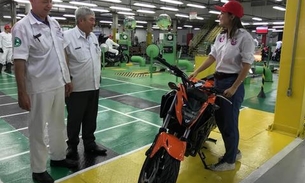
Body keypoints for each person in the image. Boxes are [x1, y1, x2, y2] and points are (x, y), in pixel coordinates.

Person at [12, 0, 77, 182]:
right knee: (38, 130)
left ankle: (58, 157)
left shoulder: (54, 23)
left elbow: (61, 51)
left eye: (51, 1)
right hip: (38, 88)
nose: (48, 5)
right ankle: (38, 170)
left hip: (58, 84)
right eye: (44, 1)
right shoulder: (23, 27)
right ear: (32, 1)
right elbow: (19, 62)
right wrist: (21, 92)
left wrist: (67, 77)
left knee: (58, 125)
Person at [189, 0, 254, 171]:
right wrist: (196, 73)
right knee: (219, 119)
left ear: (231, 16)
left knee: (229, 122)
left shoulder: (245, 38)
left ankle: (229, 161)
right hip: (218, 81)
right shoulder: (221, 36)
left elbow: (246, 65)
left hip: (232, 83)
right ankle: (235, 152)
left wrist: (233, 87)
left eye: (222, 13)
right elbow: (212, 57)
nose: (219, 16)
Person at [63, 7, 107, 160]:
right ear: (80, 20)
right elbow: (62, 62)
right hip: (76, 88)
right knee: (74, 119)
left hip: (94, 86)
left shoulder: (93, 38)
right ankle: (72, 146)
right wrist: (66, 82)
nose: (94, 23)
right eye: (91, 19)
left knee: (91, 118)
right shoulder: (67, 37)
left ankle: (90, 144)